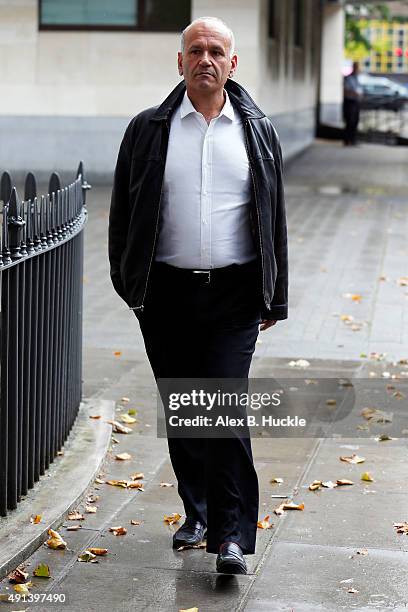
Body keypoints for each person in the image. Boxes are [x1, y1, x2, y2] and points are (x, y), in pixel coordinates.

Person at [108, 16, 288, 575]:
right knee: (185, 409)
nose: (205, 59)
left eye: (216, 51)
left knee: (225, 410)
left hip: (234, 293)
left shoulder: (256, 129)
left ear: (233, 64)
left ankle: (232, 536)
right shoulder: (148, 129)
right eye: (195, 50)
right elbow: (122, 215)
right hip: (165, 293)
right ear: (179, 61)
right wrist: (129, 285)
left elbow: (273, 215)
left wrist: (273, 296)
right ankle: (200, 510)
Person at [343, 61, 363, 146]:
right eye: (356, 67)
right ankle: (347, 140)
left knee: (355, 121)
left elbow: (359, 89)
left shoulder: (357, 78)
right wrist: (354, 93)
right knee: (349, 121)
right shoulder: (348, 78)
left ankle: (353, 140)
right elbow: (346, 91)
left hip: (356, 102)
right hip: (349, 102)